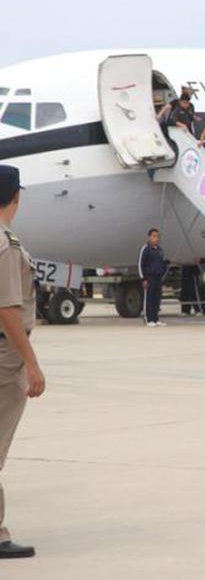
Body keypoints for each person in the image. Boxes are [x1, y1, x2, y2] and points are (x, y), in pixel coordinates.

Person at [0, 165, 45, 558]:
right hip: (3, 354)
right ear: (15, 196)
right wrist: (31, 363)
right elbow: (8, 310)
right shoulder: (5, 244)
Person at [138, 228, 167, 327]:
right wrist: (143, 278)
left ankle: (155, 318)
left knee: (157, 298)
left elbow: (162, 264)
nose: (156, 238)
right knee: (149, 298)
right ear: (149, 237)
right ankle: (148, 318)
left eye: (158, 236)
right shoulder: (146, 248)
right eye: (154, 236)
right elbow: (140, 264)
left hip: (158, 277)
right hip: (149, 277)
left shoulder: (160, 250)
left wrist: (162, 273)